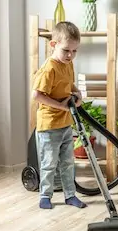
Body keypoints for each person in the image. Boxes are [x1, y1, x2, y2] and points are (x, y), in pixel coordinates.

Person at [32, 21, 87, 209]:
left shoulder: (68, 64)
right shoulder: (49, 68)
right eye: (66, 50)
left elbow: (69, 84)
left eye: (74, 51)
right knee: (49, 165)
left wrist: (78, 94)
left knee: (68, 164)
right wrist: (62, 107)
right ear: (53, 45)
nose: (70, 55)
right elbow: (37, 95)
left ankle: (70, 195)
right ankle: (45, 197)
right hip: (48, 126)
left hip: (65, 124)